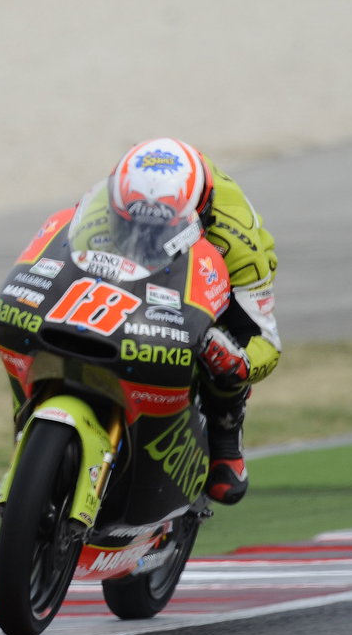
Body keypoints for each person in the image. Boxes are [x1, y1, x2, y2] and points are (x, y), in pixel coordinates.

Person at [72, 138, 280, 504]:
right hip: (122, 265)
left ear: (198, 213)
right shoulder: (105, 206)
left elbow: (265, 339)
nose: (144, 237)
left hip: (211, 272)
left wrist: (240, 360)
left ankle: (224, 431)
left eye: (157, 229)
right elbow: (66, 257)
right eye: (132, 223)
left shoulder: (236, 238)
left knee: (226, 352)